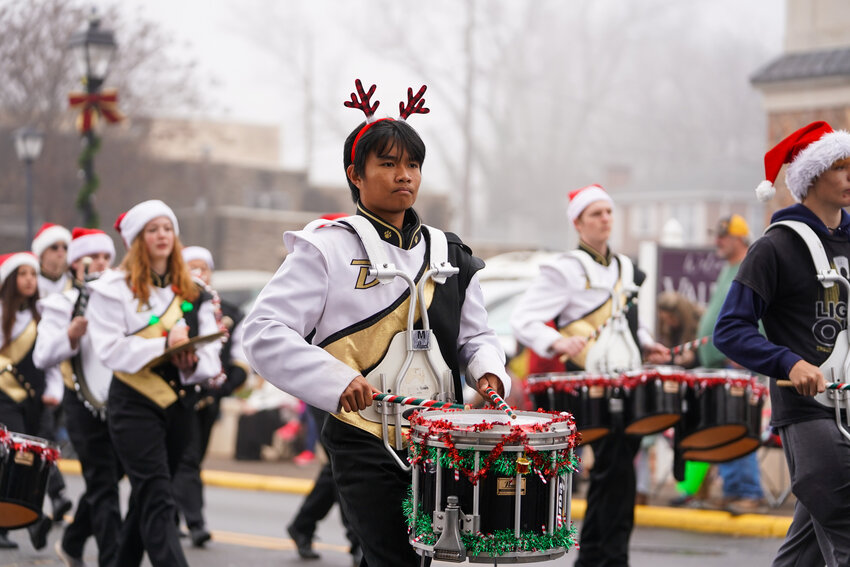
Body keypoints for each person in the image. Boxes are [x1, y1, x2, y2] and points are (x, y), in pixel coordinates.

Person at [243, 80, 511, 567]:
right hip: (363, 433)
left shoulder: (449, 252)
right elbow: (263, 331)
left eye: (412, 164)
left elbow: (476, 337)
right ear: (356, 174)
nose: (403, 175)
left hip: (437, 433)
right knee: (397, 558)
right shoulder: (326, 247)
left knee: (414, 558)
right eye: (387, 164)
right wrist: (336, 380)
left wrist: (489, 372)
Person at [510, 184, 670, 567]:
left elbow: (630, 322)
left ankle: (597, 557)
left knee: (615, 471)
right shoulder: (565, 268)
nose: (605, 219)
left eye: (608, 212)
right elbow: (523, 319)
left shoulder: (627, 269)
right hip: (586, 386)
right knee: (616, 471)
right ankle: (611, 558)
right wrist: (556, 342)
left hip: (625, 380)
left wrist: (648, 344)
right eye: (595, 214)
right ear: (578, 223)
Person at [714, 120, 850, 567]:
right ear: (811, 177)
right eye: (841, 167)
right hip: (809, 415)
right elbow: (730, 329)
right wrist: (789, 363)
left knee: (804, 553)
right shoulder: (774, 247)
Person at [86, 200, 223, 567]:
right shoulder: (112, 288)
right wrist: (164, 344)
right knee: (160, 497)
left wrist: (191, 361)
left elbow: (211, 353)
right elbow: (109, 350)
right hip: (133, 403)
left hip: (179, 405)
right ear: (137, 239)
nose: (162, 235)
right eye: (152, 229)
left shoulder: (194, 290)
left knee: (147, 497)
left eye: (167, 228)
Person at [33, 227, 124, 567]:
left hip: (119, 403)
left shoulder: (122, 302)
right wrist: (70, 335)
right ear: (75, 266)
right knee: (104, 484)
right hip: (81, 404)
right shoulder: (61, 304)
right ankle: (113, 560)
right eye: (92, 258)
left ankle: (71, 543)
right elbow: (43, 356)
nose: (100, 263)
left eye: (105, 257)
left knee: (108, 480)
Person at [171, 245, 249, 548]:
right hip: (175, 398)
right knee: (186, 459)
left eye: (202, 268)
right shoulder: (169, 308)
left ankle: (175, 514)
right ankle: (196, 522)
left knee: (191, 459)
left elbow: (240, 360)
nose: (197, 273)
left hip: (208, 400)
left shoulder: (230, 312)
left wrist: (220, 389)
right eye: (190, 267)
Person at [697, 215, 764, 513]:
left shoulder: (751, 268)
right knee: (724, 427)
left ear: (739, 239)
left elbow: (763, 314)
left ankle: (749, 492)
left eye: (723, 237)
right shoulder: (730, 270)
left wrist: (747, 349)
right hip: (721, 364)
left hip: (737, 364)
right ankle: (733, 489)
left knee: (737, 426)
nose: (717, 242)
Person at [0, 252, 63, 550]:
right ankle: (34, 521)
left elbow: (51, 364)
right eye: (23, 274)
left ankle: (28, 519)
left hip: (35, 400)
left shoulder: (43, 315)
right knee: (16, 456)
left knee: (35, 458)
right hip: (4, 397)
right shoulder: (1, 312)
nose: (29, 279)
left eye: (33, 274)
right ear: (11, 280)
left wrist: (54, 391)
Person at [31, 221, 75, 522]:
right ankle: (56, 495)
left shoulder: (75, 287)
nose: (61, 254)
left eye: (65, 248)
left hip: (68, 377)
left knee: (44, 440)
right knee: (41, 437)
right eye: (54, 248)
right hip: (30, 375)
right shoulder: (27, 282)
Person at [32, 222, 72, 297]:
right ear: (42, 253)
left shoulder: (73, 284)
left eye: (65, 247)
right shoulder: (31, 284)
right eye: (54, 247)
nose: (61, 250)